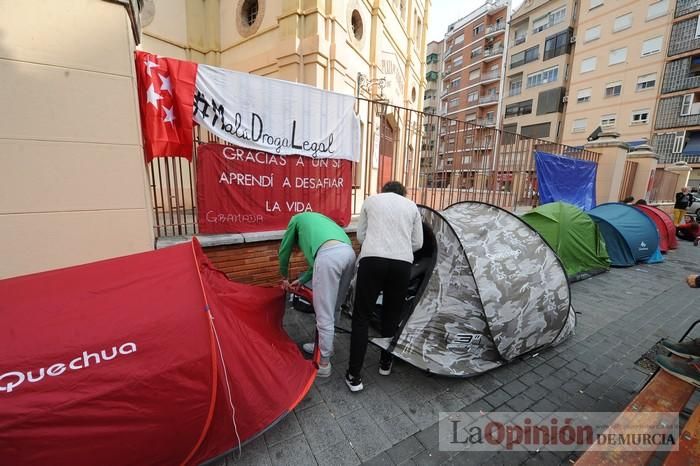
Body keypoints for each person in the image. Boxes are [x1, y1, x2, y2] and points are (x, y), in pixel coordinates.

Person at [345, 181, 423, 392]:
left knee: (362, 317)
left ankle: (354, 376)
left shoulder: (371, 201)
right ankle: (385, 364)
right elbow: (418, 243)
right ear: (402, 192)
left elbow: (361, 236)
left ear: (384, 190)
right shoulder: (412, 206)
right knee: (392, 313)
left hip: (372, 261)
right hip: (402, 264)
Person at [278, 212, 356, 377]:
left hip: (329, 258)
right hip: (349, 254)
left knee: (324, 313)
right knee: (335, 306)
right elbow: (317, 262)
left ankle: (324, 363)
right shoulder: (319, 221)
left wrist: (284, 277)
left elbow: (284, 250)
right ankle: (326, 346)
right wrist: (302, 279)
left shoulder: (296, 220)